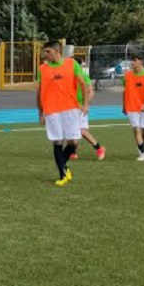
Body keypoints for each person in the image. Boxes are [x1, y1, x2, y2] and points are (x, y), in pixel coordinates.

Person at [36, 40, 89, 187]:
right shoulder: (42, 69)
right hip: (51, 110)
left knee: (74, 142)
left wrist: (85, 104)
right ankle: (62, 175)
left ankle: (63, 166)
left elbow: (83, 84)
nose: (45, 55)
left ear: (58, 52)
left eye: (48, 52)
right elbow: (40, 92)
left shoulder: (72, 64)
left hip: (70, 109)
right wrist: (40, 112)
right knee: (57, 141)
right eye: (44, 52)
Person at [71, 56, 105, 161]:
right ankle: (73, 152)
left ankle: (99, 148)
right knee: (73, 131)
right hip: (71, 107)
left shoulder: (83, 76)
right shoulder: (69, 77)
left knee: (82, 131)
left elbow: (91, 92)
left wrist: (85, 104)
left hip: (80, 108)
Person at [122, 54, 144, 162]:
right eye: (132, 61)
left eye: (135, 60)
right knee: (136, 129)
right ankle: (143, 153)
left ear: (140, 61)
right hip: (131, 106)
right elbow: (124, 91)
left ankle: (141, 145)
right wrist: (124, 105)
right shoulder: (127, 75)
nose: (132, 63)